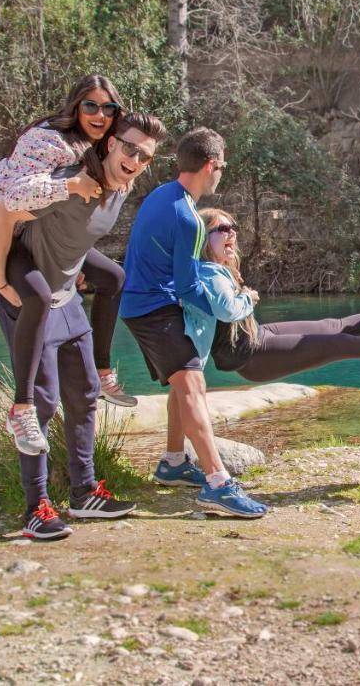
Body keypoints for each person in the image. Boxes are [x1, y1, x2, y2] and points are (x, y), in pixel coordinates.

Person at [0, 112, 167, 538]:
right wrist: (0, 282)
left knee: (85, 394)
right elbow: (1, 214)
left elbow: (76, 236)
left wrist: (78, 265)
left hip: (68, 296)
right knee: (42, 403)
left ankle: (84, 493)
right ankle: (37, 507)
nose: (136, 160)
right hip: (31, 299)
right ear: (109, 143)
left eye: (146, 157)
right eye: (130, 148)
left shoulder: (122, 188)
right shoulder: (66, 181)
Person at [0, 75, 138, 456]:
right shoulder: (47, 140)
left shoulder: (102, 146)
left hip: (30, 230)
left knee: (113, 277)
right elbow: (7, 203)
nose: (99, 114)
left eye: (108, 108)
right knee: (37, 298)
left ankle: (104, 373)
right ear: (76, 106)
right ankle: (21, 408)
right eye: (90, 105)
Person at [118, 127, 267, 519]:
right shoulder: (188, 218)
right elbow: (186, 287)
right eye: (222, 167)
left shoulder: (161, 195)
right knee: (193, 383)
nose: (221, 175)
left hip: (140, 304)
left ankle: (172, 463)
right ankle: (218, 483)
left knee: (182, 383)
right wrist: (230, 307)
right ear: (210, 165)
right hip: (153, 309)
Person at [185, 208, 360, 382]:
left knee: (334, 326)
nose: (232, 234)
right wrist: (248, 297)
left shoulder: (219, 268)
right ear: (204, 238)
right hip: (253, 357)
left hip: (258, 334)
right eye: (223, 229)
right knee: (341, 343)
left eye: (233, 227)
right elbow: (226, 310)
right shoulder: (209, 273)